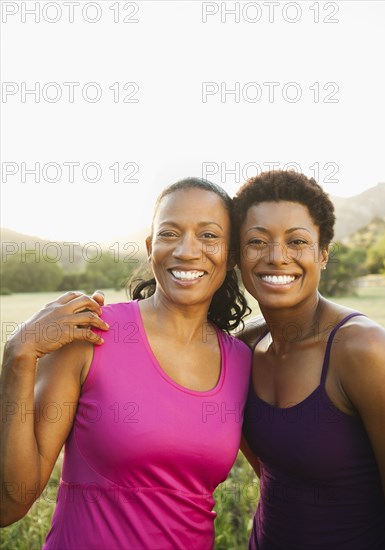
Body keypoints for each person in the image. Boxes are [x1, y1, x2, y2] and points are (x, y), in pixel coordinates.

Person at [0, 178, 252, 550]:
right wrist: (17, 355)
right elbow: (11, 503)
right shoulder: (90, 335)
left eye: (209, 236)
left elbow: (288, 478)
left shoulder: (243, 362)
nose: (187, 250)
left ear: (230, 255)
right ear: (151, 248)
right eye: (170, 233)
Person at [235, 170, 385, 550]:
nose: (277, 257)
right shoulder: (244, 346)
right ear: (238, 254)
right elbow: (273, 473)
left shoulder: (363, 351)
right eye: (257, 241)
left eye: (297, 241)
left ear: (324, 253)